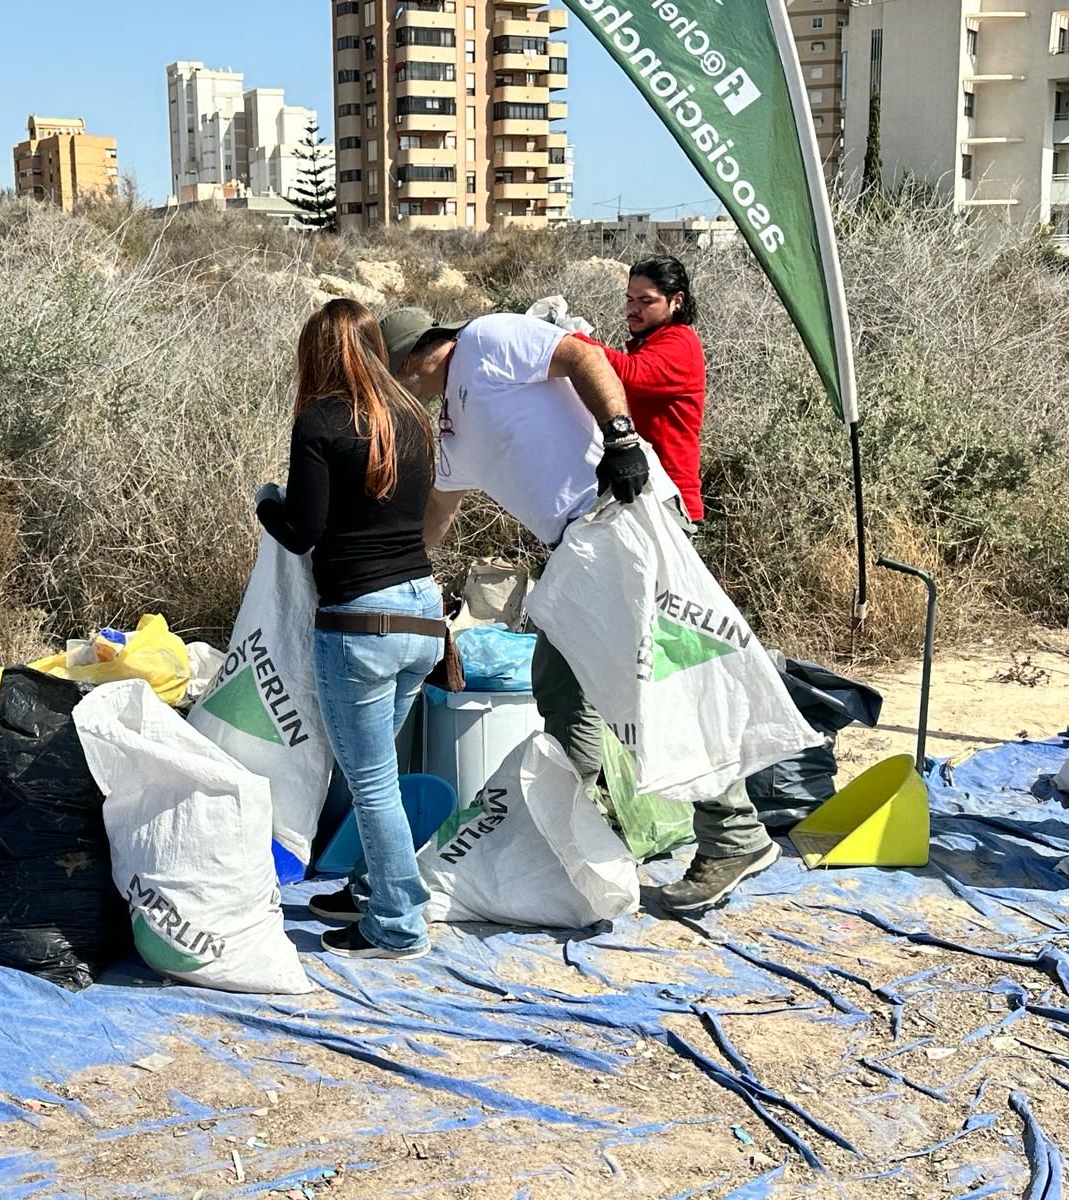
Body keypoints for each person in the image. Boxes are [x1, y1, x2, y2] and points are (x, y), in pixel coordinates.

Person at [380, 306, 778, 914]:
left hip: (616, 516)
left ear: (409, 360)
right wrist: (393, 563)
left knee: (657, 686)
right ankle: (568, 839)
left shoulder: (486, 340)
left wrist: (620, 438)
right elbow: (441, 506)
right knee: (563, 691)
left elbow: (581, 355)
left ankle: (733, 833)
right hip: (577, 549)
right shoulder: (453, 423)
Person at [255, 298, 443, 961]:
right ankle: (370, 887)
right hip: (423, 613)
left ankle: (397, 922)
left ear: (319, 355)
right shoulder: (415, 417)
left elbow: (302, 532)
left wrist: (265, 505)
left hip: (360, 622)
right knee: (380, 768)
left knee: (371, 779)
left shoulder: (322, 421)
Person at [583, 256, 707, 523]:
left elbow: (630, 374)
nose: (633, 309)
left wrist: (576, 345)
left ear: (677, 301)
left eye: (646, 301)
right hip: (643, 495)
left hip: (670, 502)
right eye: (630, 299)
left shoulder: (681, 343)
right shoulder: (651, 343)